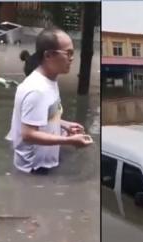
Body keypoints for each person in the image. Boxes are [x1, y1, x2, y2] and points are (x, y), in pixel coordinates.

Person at [7, 27, 93, 175]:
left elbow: (46, 115)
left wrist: (65, 125)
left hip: (44, 163)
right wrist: (70, 141)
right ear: (48, 55)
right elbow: (28, 134)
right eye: (68, 53)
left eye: (72, 53)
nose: (71, 58)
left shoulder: (49, 81)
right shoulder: (37, 90)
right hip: (33, 169)